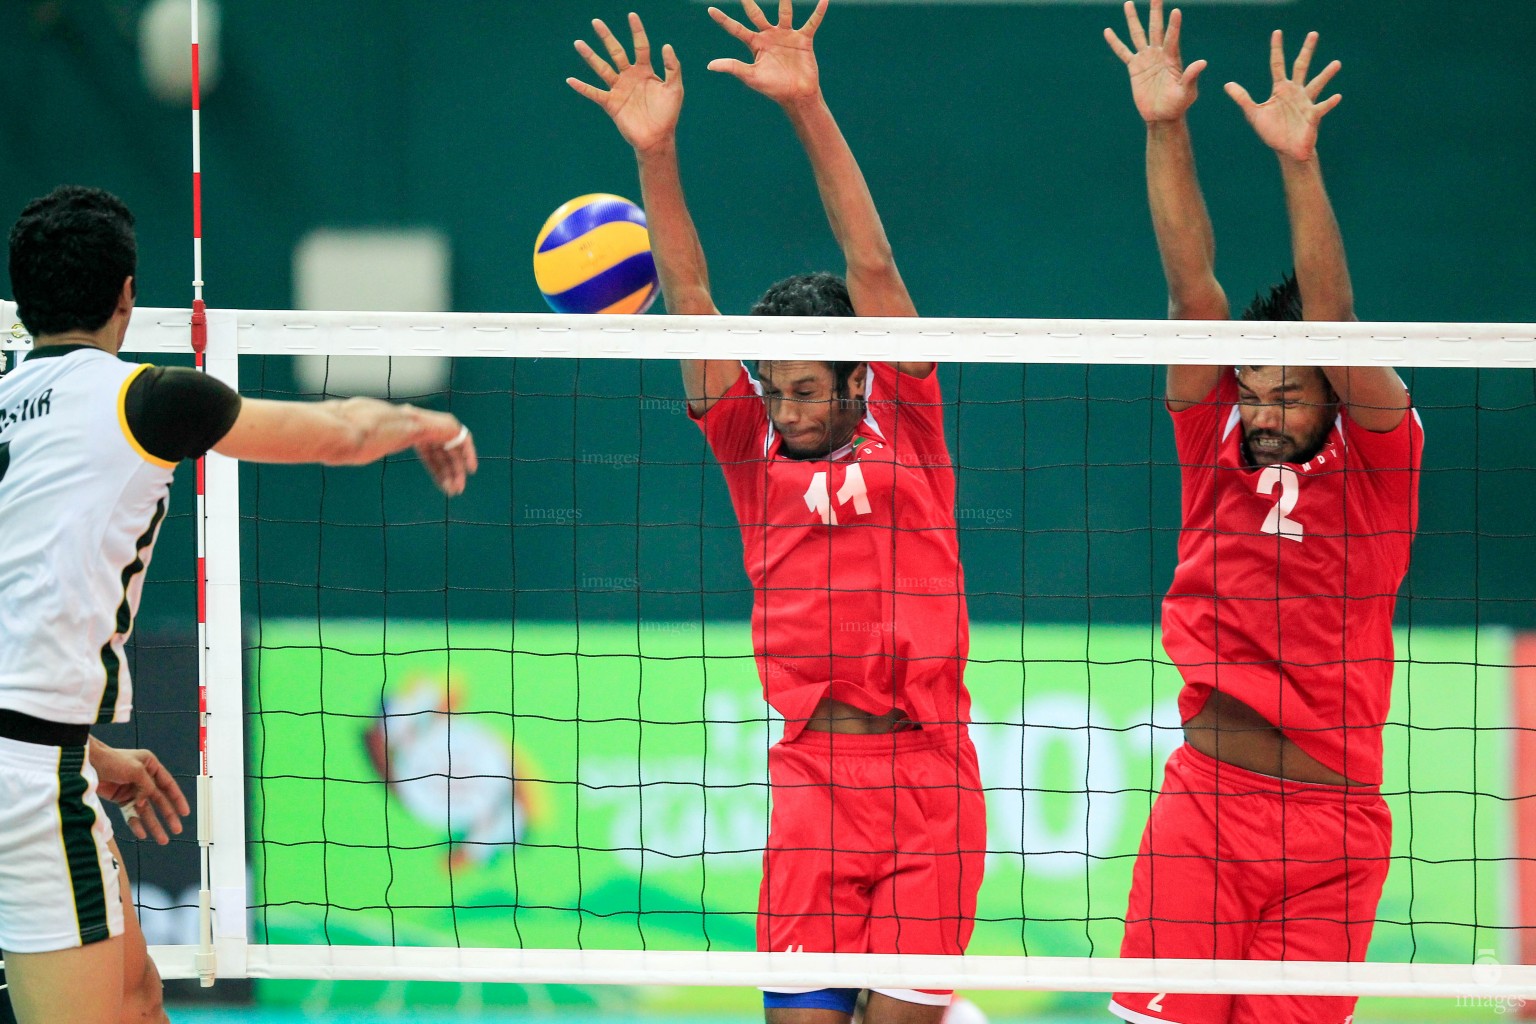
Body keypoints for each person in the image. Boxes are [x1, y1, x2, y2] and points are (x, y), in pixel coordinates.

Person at [568, 3, 984, 1020]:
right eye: (776, 387)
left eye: (808, 389)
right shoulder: (748, 441)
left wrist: (807, 105)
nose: (788, 408)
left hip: (932, 777)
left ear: (857, 381)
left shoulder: (910, 420)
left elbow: (872, 265)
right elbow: (690, 292)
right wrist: (656, 152)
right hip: (814, 781)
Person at [0, 184, 477, 1024]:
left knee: (141, 996)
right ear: (126, 295)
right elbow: (342, 433)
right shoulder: (147, 401)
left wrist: (91, 755)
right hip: (26, 781)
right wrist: (426, 422)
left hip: (43, 753)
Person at [1103, 4, 1423, 1022]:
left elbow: (1335, 323)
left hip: (1333, 831)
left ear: (1330, 390)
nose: (1261, 407)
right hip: (1208, 806)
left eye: (1286, 390)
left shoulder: (1381, 455)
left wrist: (1297, 162)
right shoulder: (1215, 444)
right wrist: (1165, 127)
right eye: (1251, 386)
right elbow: (1191, 288)